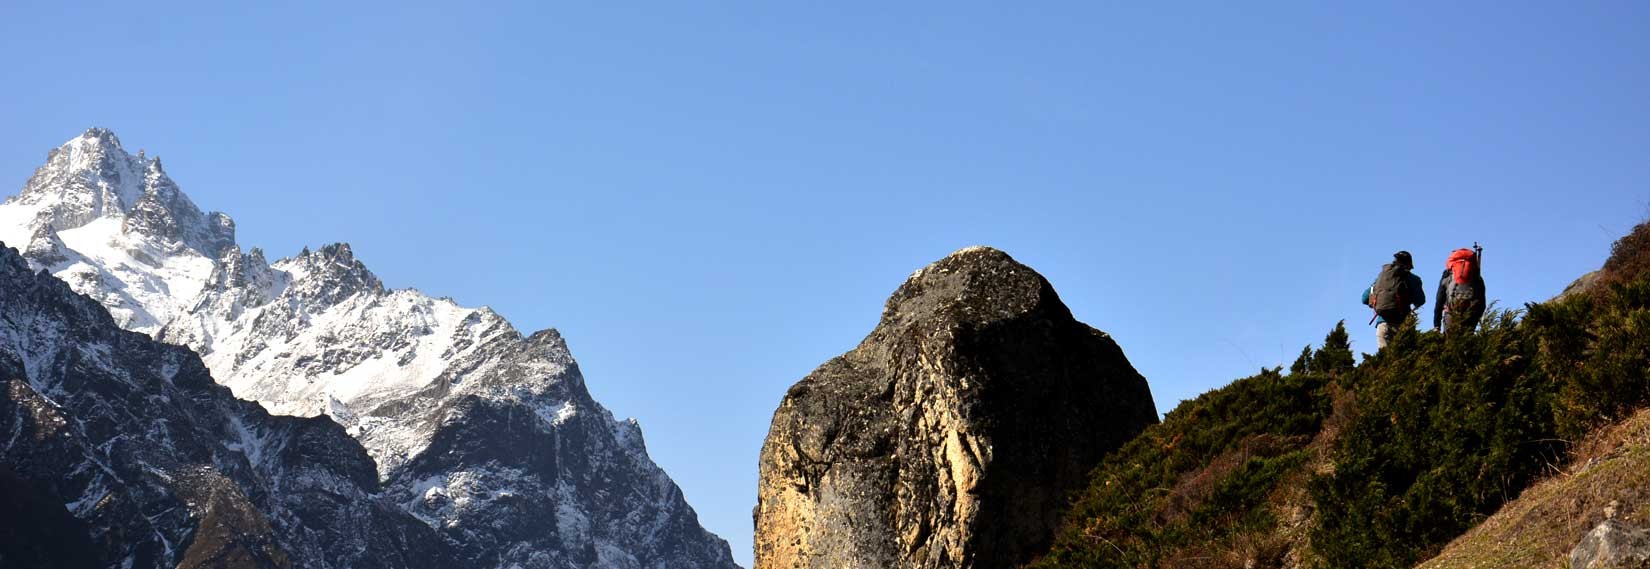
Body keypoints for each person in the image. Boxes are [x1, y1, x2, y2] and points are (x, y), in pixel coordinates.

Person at [1361, 251, 1426, 350]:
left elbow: (1364, 298)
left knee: (1386, 361)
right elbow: (1420, 300)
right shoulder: (1413, 279)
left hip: (1383, 325)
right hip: (1403, 325)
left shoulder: (1381, 278)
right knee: (1406, 360)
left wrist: (1378, 301)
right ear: (1408, 265)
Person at [1433, 246, 1486, 334]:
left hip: (1451, 315)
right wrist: (1474, 321)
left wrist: (1436, 325)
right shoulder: (1477, 278)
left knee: (1450, 345)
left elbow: (1439, 301)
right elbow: (1482, 304)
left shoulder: (1448, 275)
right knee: (1466, 345)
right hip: (1469, 317)